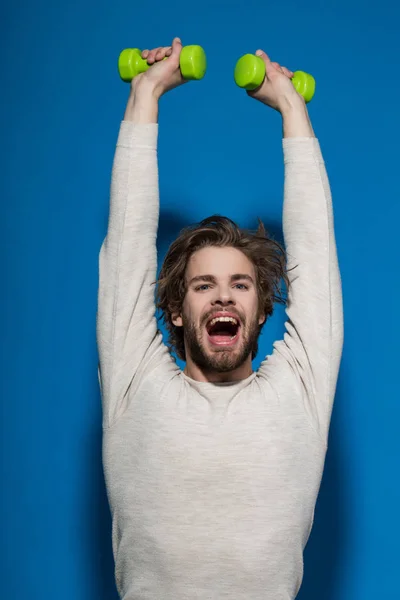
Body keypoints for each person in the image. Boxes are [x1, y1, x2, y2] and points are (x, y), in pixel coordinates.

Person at [96, 37, 343, 599]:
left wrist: (293, 112)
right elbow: (128, 244)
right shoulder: (136, 386)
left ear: (260, 310)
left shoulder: (298, 395)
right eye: (203, 286)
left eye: (240, 285)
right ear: (178, 311)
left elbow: (317, 256)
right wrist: (146, 95)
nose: (223, 298)